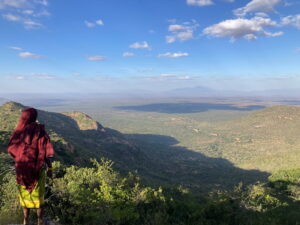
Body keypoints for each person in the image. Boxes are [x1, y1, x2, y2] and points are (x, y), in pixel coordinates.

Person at [7, 107, 55, 225]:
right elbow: (46, 153)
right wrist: (50, 168)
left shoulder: (19, 131)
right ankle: (40, 221)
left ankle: (25, 221)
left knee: (25, 196)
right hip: (37, 170)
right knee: (39, 196)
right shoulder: (40, 131)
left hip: (22, 170)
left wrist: (19, 158)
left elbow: (11, 149)